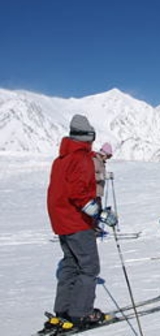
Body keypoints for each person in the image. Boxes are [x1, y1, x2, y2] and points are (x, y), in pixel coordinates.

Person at [45, 114, 118, 332]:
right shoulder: (81, 158)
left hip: (61, 221)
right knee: (89, 267)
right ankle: (80, 313)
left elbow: (62, 191)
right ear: (88, 137)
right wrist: (99, 214)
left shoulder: (61, 159)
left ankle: (63, 312)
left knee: (70, 265)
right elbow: (78, 193)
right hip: (77, 222)